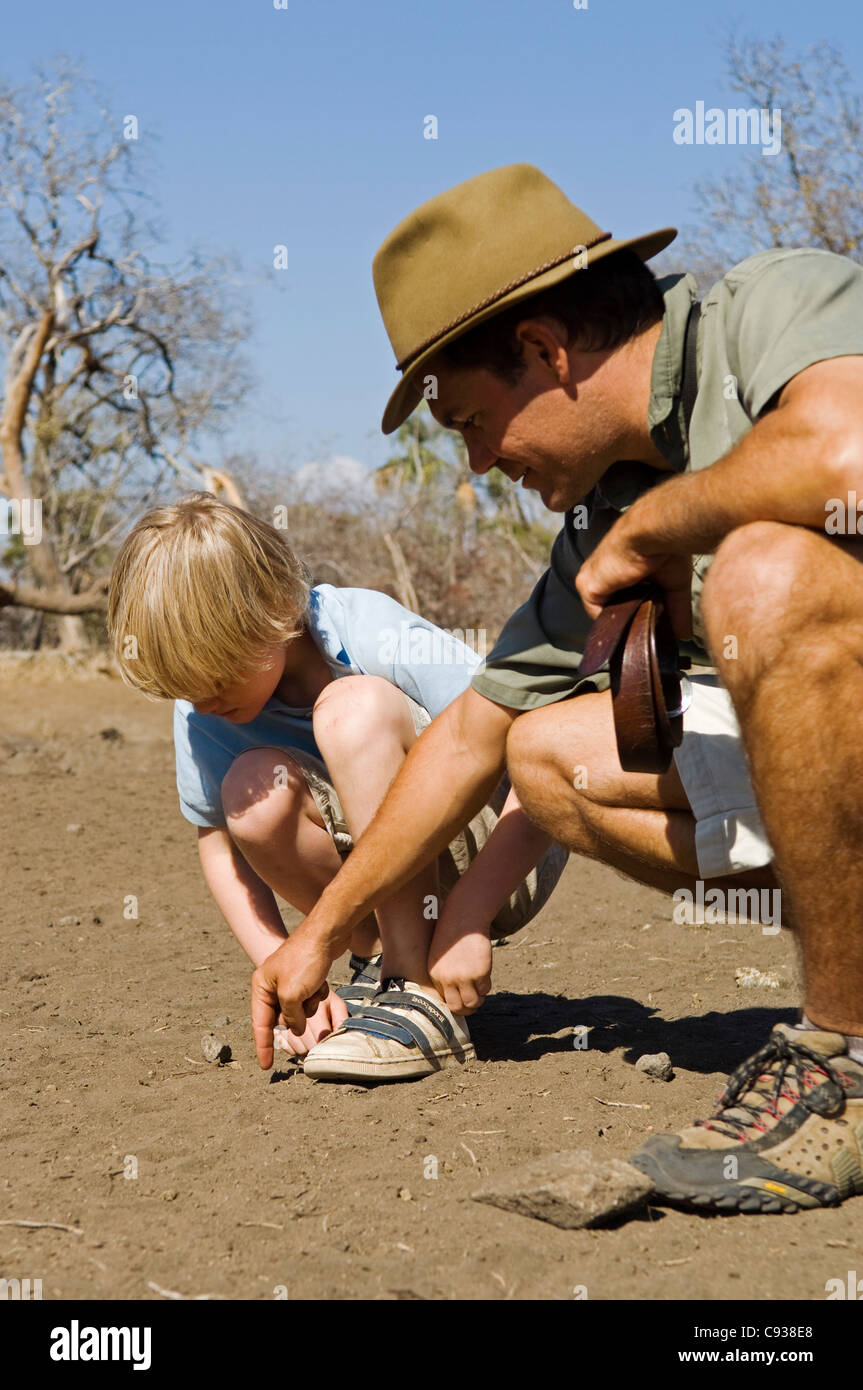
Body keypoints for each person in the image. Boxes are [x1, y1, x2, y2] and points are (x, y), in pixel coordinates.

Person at [251, 162, 863, 1214]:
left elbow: (847, 451)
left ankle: (842, 1063)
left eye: (471, 423)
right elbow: (470, 735)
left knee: (765, 575)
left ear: (541, 348)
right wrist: (319, 929)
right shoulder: (603, 505)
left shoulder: (768, 304)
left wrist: (661, 526)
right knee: (546, 755)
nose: (480, 462)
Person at [107, 492, 567, 1080]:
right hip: (385, 876)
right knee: (251, 790)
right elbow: (217, 843)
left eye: (217, 677)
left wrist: (470, 914)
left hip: (510, 841)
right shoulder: (202, 708)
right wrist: (283, 961)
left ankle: (415, 985)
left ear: (273, 609)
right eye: (188, 689)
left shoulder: (366, 630)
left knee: (352, 710)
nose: (204, 703)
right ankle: (375, 961)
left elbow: (539, 756)